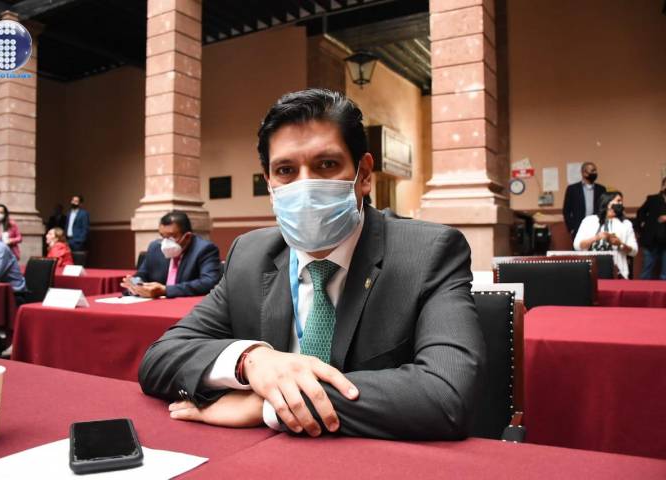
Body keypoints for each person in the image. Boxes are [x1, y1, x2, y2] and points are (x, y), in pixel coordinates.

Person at [138, 89, 484, 441]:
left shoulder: (429, 253)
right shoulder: (249, 255)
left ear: (364, 174)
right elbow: (160, 358)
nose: (305, 186)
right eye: (286, 170)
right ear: (269, 183)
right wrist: (251, 361)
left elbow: (447, 394)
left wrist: (273, 404)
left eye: (326, 165)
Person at [121, 211, 222, 298]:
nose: (165, 242)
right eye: (162, 236)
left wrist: (165, 290)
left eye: (171, 237)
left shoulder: (204, 249)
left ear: (187, 237)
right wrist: (136, 284)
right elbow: (142, 274)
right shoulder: (155, 247)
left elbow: (209, 282)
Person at [574, 191, 638, 279]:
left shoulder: (626, 224)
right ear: (608, 203)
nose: (621, 204)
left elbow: (634, 251)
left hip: (617, 272)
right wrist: (596, 238)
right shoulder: (589, 221)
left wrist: (620, 244)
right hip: (590, 271)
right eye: (618, 201)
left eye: (621, 202)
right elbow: (577, 246)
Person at [636, 176, 666, 280]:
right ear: (663, 187)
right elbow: (640, 212)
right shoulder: (652, 199)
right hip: (651, 240)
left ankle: (665, 290)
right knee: (646, 270)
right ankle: (643, 289)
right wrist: (642, 224)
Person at [563, 162, 607, 238]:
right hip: (578, 228)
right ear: (584, 173)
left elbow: (604, 208)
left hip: (597, 227)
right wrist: (571, 228)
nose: (595, 173)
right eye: (592, 171)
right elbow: (566, 210)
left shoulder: (601, 189)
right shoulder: (572, 189)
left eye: (595, 170)